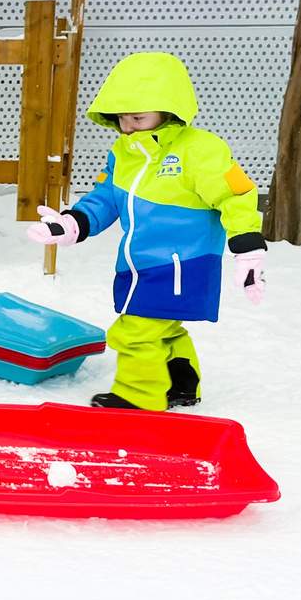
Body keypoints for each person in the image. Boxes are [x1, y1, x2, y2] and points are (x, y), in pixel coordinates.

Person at [28, 51, 266, 411]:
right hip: (140, 261)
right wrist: (73, 222)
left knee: (135, 330)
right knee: (163, 326)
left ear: (169, 110)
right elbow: (107, 197)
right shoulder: (124, 153)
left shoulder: (199, 151)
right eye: (122, 117)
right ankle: (180, 383)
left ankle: (137, 398)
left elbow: (236, 195)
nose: (128, 126)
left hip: (182, 261)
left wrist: (247, 245)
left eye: (138, 117)